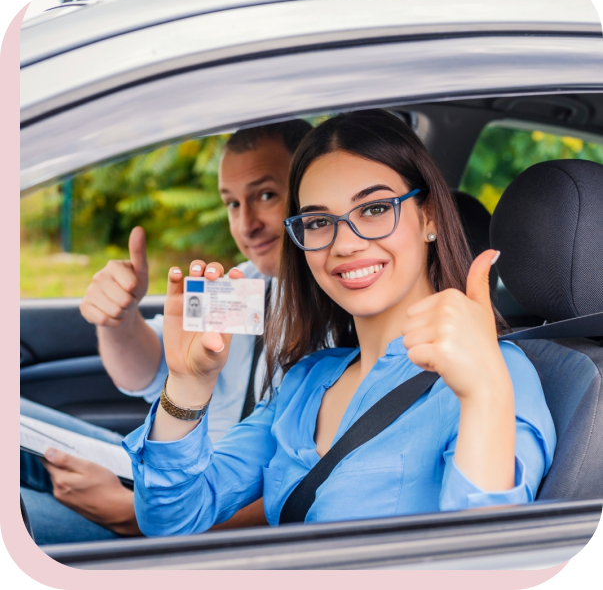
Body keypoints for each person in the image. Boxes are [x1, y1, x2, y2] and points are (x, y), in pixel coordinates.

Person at [123, 110, 556, 535]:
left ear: (429, 217)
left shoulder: (496, 373)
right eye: (317, 221)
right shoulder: (307, 381)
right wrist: (187, 385)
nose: (345, 243)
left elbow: (486, 564)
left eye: (373, 209)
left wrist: (484, 392)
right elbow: (172, 520)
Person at [20, 119, 313, 544]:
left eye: (265, 195)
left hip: (204, 523)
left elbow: (298, 489)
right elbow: (148, 370)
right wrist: (119, 319)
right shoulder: (245, 285)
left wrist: (131, 515)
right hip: (177, 477)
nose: (245, 224)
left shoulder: (346, 325)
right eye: (231, 204)